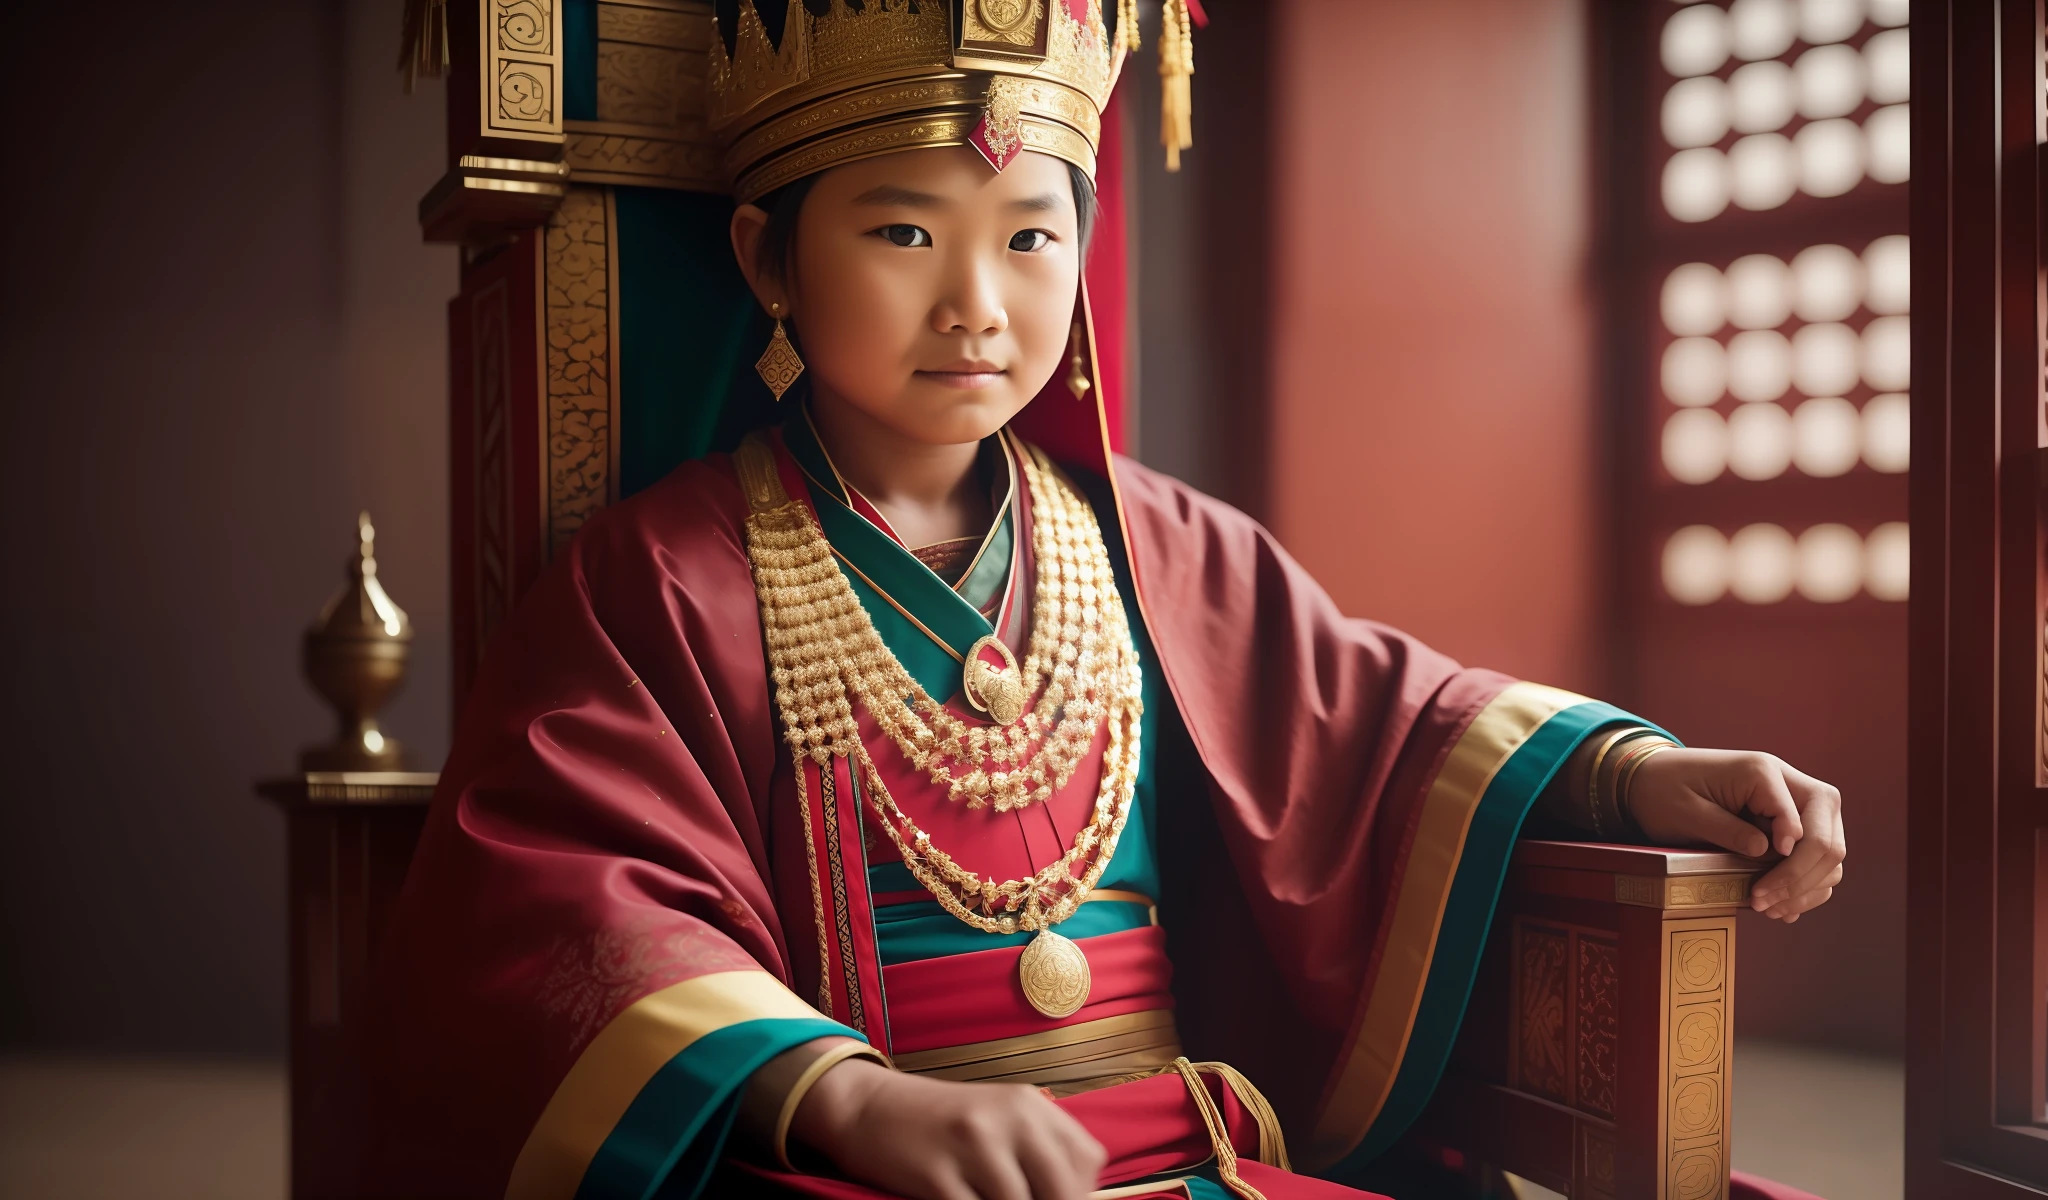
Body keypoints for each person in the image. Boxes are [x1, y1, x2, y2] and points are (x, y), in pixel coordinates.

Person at [369, 3, 1846, 1197]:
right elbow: (577, 892)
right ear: (770, 258)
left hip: (1190, 1150)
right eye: (902, 234)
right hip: (879, 1167)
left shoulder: (1150, 542)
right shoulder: (664, 579)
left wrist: (1632, 771)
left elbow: (1381, 722)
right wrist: (839, 1097)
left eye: (1029, 236)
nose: (979, 304)